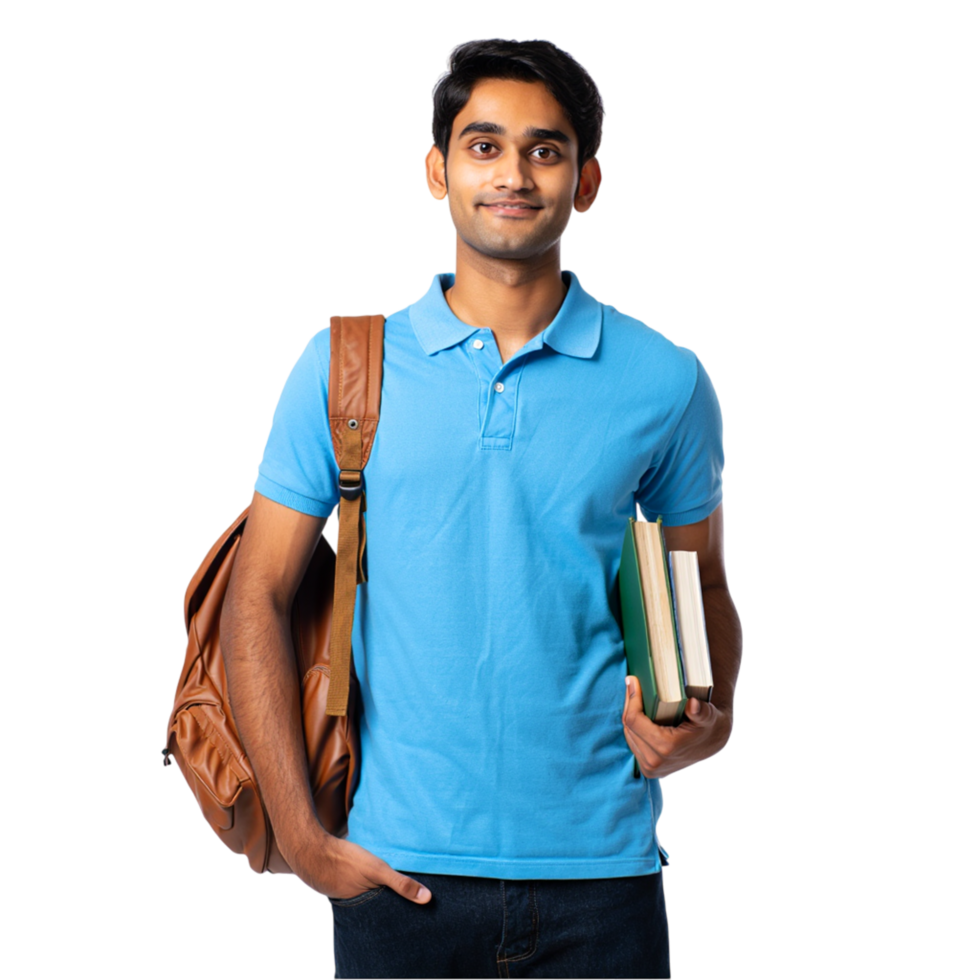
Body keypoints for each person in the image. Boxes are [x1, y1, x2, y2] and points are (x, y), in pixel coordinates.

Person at [221, 36, 741, 979]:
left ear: (586, 184)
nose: (514, 174)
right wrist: (298, 836)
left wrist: (709, 716)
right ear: (436, 172)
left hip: (605, 880)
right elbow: (254, 596)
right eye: (484, 145)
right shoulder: (343, 368)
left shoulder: (667, 380)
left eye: (546, 150)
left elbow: (696, 580)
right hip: (394, 872)